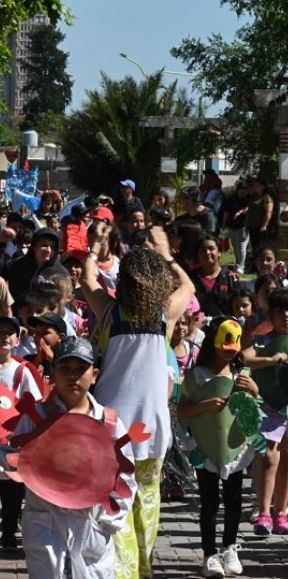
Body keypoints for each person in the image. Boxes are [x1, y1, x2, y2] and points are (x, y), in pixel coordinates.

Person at [82, 225, 195, 579]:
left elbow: (87, 281)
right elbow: (189, 288)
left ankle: (124, 572)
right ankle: (143, 570)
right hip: (152, 425)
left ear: (125, 280)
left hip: (110, 426)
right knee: (147, 503)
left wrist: (95, 249)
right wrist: (166, 256)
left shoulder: (110, 311)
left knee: (116, 505)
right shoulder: (164, 315)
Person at [0, 336, 136, 578]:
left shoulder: (110, 423)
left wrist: (106, 525)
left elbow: (126, 480)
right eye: (64, 368)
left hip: (91, 527)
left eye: (80, 369)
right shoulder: (37, 417)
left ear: (94, 374)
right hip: (47, 521)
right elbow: (14, 460)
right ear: (53, 372)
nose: (72, 376)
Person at [177, 317, 257, 577]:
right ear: (214, 342)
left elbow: (252, 411)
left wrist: (254, 391)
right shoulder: (196, 376)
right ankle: (209, 554)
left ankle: (230, 547)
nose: (228, 350)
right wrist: (205, 405)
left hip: (235, 448)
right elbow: (183, 411)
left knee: (234, 500)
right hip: (205, 446)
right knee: (209, 502)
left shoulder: (241, 375)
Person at [0, 316, 43, 551]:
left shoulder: (22, 371)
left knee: (12, 488)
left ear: (17, 339)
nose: (5, 337)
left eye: (10, 333)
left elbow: (34, 404)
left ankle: (9, 530)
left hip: (13, 439)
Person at [244, 289, 288, 536]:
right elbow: (243, 359)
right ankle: (263, 512)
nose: (286, 314)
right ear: (271, 314)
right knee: (270, 457)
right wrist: (271, 360)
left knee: (287, 459)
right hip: (269, 404)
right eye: (281, 310)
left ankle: (281, 512)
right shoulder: (263, 338)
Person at [0, 227, 69, 307]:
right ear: (33, 247)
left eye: (52, 247)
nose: (49, 250)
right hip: (19, 315)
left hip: (46, 318)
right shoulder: (17, 265)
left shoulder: (60, 272)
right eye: (44, 245)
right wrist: (1, 243)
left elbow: (65, 302)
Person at [190, 234, 240, 317]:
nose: (207, 252)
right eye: (202, 250)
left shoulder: (231, 277)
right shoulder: (191, 278)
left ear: (219, 252)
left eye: (211, 248)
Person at [244, 178, 273, 253]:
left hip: (260, 227)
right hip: (251, 226)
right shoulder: (253, 197)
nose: (254, 187)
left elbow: (268, 212)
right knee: (254, 246)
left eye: (257, 186)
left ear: (263, 187)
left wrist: (264, 225)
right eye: (254, 186)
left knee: (261, 247)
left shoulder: (267, 198)